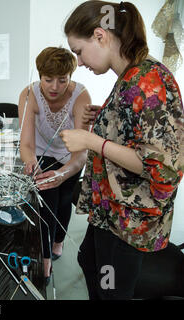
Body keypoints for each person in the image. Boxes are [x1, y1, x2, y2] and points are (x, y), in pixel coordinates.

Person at [61, 1, 183, 299]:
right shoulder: (131, 75)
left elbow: (163, 169)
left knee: (112, 289)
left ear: (100, 36)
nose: (78, 62)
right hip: (111, 210)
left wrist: (91, 140)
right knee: (88, 260)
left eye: (78, 51)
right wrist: (105, 114)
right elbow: (137, 130)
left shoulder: (147, 82)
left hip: (128, 220)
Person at [18, 47, 91, 283]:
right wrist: (31, 163)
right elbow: (26, 143)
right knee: (46, 204)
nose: (55, 87)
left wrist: (63, 173)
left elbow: (81, 153)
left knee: (64, 199)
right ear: (40, 76)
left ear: (71, 76)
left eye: (62, 80)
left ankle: (59, 240)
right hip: (41, 152)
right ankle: (46, 258)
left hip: (71, 156)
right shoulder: (29, 95)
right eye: (48, 80)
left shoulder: (81, 97)